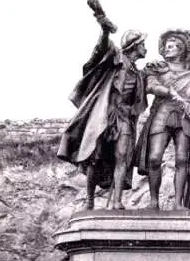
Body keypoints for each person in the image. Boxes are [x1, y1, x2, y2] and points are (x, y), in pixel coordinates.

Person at [57, 14, 147, 210]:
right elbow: (101, 49)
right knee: (94, 158)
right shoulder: (116, 57)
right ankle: (89, 200)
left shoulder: (139, 74)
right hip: (104, 116)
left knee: (122, 157)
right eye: (143, 44)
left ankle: (116, 202)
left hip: (124, 119)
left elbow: (142, 98)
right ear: (134, 46)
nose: (145, 48)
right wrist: (105, 29)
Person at [134, 29, 190, 213]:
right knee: (154, 157)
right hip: (162, 115)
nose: (167, 49)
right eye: (166, 46)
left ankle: (178, 203)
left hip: (185, 118)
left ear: (182, 50)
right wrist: (170, 92)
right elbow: (151, 86)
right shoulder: (156, 68)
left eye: (172, 46)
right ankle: (154, 202)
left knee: (182, 159)